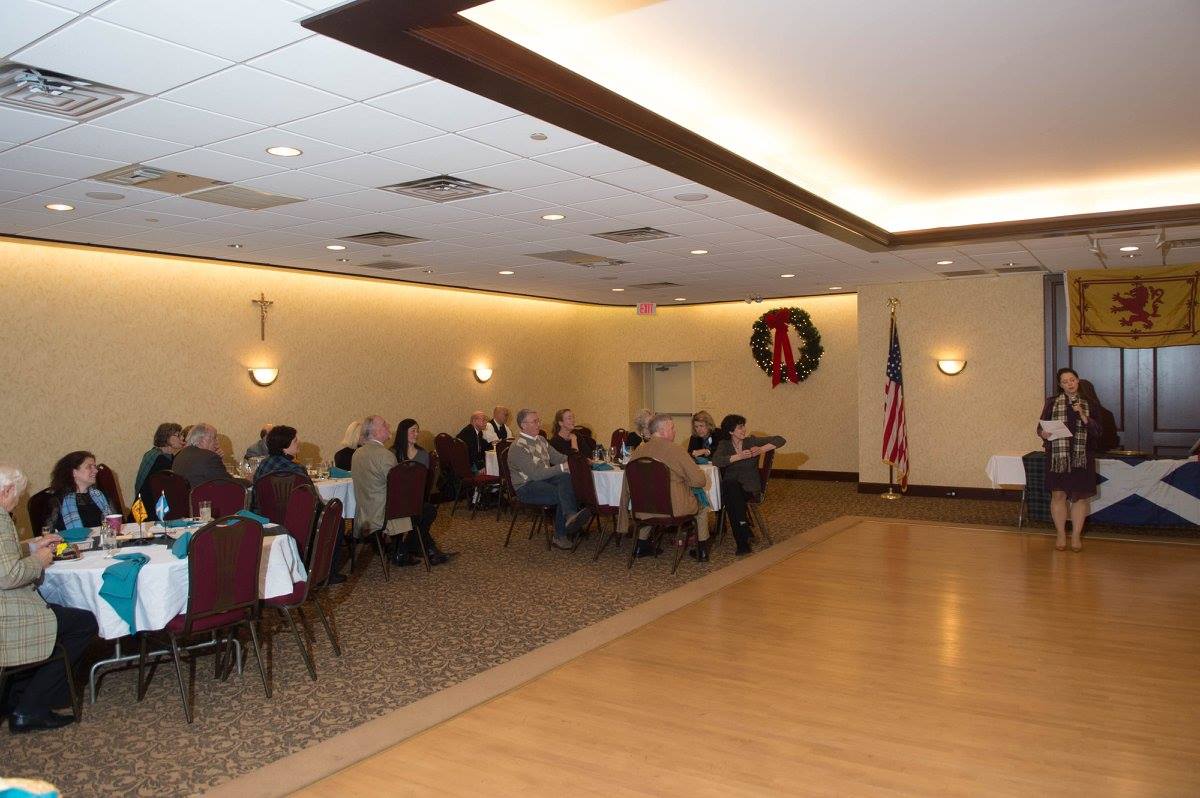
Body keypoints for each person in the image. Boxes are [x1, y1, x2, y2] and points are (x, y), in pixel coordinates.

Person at [1, 463, 98, 733]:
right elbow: (8, 575)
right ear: (6, 491)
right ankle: (31, 707)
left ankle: (18, 695)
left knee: (66, 617)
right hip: (9, 613)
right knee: (84, 623)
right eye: (17, 494)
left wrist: (32, 547)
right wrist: (40, 560)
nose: (18, 500)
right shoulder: (1, 519)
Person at [619, 414, 712, 561]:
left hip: (643, 508)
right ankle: (702, 552)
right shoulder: (676, 450)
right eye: (672, 428)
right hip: (672, 509)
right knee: (702, 507)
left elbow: (627, 486)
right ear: (662, 431)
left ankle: (640, 546)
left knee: (652, 501)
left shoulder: (638, 452)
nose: (675, 431)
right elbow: (699, 481)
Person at [506, 408, 592, 549]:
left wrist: (579, 462)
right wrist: (563, 467)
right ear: (523, 425)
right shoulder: (517, 447)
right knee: (563, 493)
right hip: (526, 487)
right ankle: (561, 534)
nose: (539, 424)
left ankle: (570, 517)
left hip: (543, 481)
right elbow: (536, 474)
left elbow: (559, 458)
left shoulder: (541, 440)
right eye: (535, 421)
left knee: (566, 479)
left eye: (538, 421)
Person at [1038, 367, 1102, 552]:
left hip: (1082, 457)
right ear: (1060, 385)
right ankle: (1060, 534)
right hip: (1058, 457)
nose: (1069, 384)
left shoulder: (1090, 402)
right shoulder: (1052, 402)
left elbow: (1098, 431)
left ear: (1078, 380)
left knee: (1080, 498)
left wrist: (1083, 414)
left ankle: (1076, 536)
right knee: (1058, 495)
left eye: (1072, 380)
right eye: (1065, 382)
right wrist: (1043, 432)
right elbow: (1040, 427)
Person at [712, 414, 785, 555]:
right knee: (731, 489)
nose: (744, 430)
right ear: (731, 431)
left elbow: (781, 439)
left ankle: (743, 539)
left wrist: (762, 449)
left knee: (731, 497)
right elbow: (717, 461)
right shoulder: (724, 445)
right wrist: (738, 456)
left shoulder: (751, 441)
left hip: (749, 489)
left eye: (743, 426)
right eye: (740, 427)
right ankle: (743, 532)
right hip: (732, 488)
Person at [393, 418, 449, 566]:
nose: (416, 434)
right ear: (403, 433)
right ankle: (429, 550)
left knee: (428, 511)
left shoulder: (422, 454)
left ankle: (405, 548)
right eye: (413, 431)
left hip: (415, 497)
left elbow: (422, 482)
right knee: (426, 512)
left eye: (417, 431)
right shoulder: (393, 453)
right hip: (396, 498)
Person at [172, 423, 249, 488]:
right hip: (203, 500)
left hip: (183, 499)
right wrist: (248, 481)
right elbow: (228, 484)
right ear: (202, 440)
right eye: (214, 438)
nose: (217, 442)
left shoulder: (181, 454)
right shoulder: (209, 457)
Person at [50, 451, 110, 531]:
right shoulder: (58, 500)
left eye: (95, 467)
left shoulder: (100, 495)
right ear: (74, 472)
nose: (96, 470)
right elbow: (46, 532)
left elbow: (116, 521)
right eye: (89, 467)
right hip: (71, 539)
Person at [134, 423, 184, 512]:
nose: (182, 438)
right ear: (168, 438)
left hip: (140, 507)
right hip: (150, 511)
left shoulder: (152, 453)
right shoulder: (162, 460)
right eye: (178, 435)